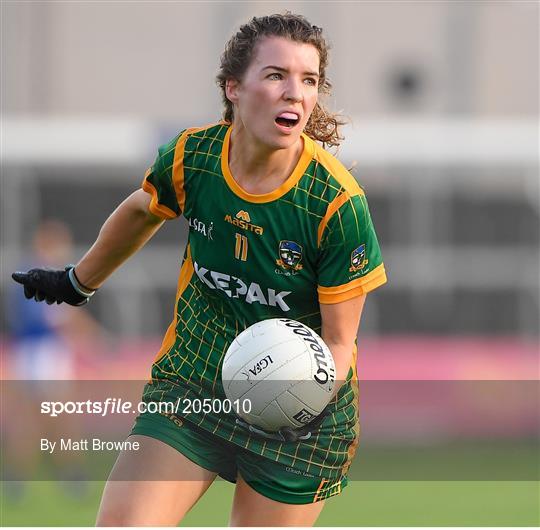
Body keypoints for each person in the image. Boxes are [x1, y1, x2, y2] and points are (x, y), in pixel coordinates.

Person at [12, 12, 387, 526]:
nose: (296, 93)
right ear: (233, 86)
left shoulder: (335, 203)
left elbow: (340, 343)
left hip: (297, 419)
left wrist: (307, 402)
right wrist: (78, 283)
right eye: (276, 74)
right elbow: (143, 210)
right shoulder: (195, 157)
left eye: (309, 80)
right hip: (195, 386)